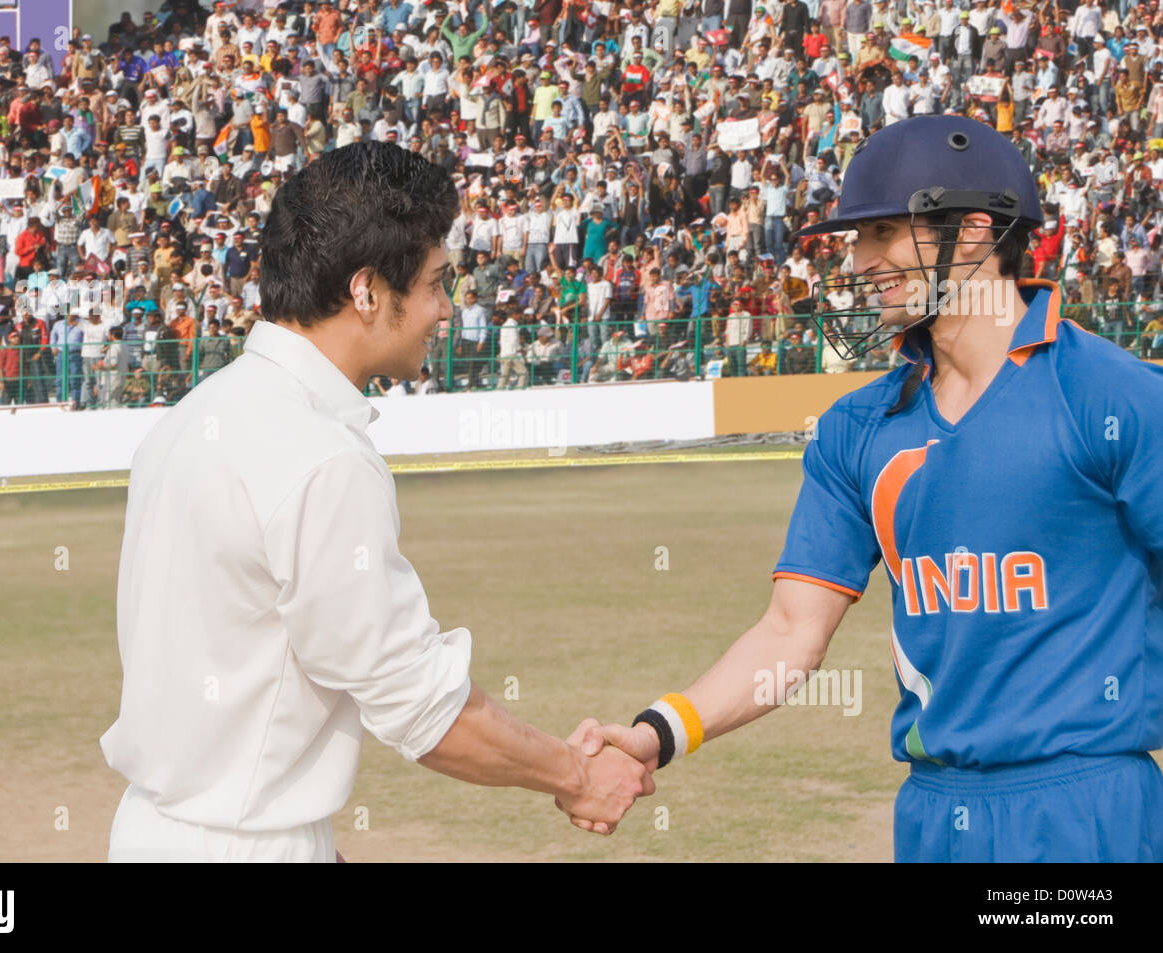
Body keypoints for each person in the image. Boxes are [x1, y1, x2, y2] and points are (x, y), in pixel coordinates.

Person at [570, 116, 1163, 863]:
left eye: (883, 231)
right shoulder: (858, 427)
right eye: (856, 239)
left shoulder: (1114, 397)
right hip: (932, 812)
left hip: (1088, 810)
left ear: (974, 233)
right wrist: (657, 731)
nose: (860, 261)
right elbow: (790, 631)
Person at [100, 142, 653, 863]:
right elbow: (419, 705)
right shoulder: (320, 454)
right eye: (435, 282)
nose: (445, 309)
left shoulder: (189, 419)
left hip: (155, 830)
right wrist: (577, 773)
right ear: (366, 291)